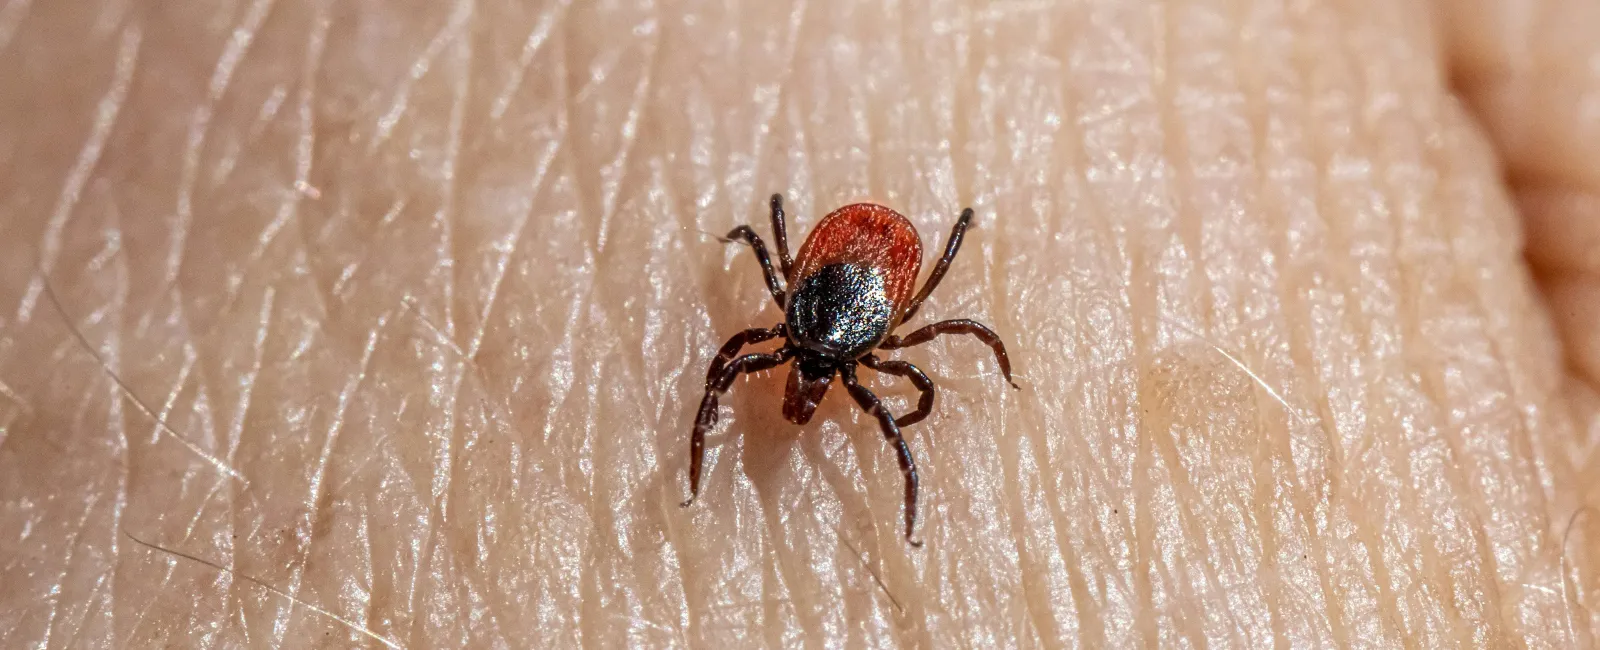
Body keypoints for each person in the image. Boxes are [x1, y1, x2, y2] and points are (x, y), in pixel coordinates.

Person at [2, 0, 1597, 645]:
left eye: (815, 366)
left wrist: (872, 365)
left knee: (938, 322)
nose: (812, 379)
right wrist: (751, 406)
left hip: (868, 244)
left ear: (828, 336)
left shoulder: (846, 324)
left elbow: (893, 346)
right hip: (865, 246)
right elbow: (823, 346)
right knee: (915, 330)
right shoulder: (831, 332)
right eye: (805, 363)